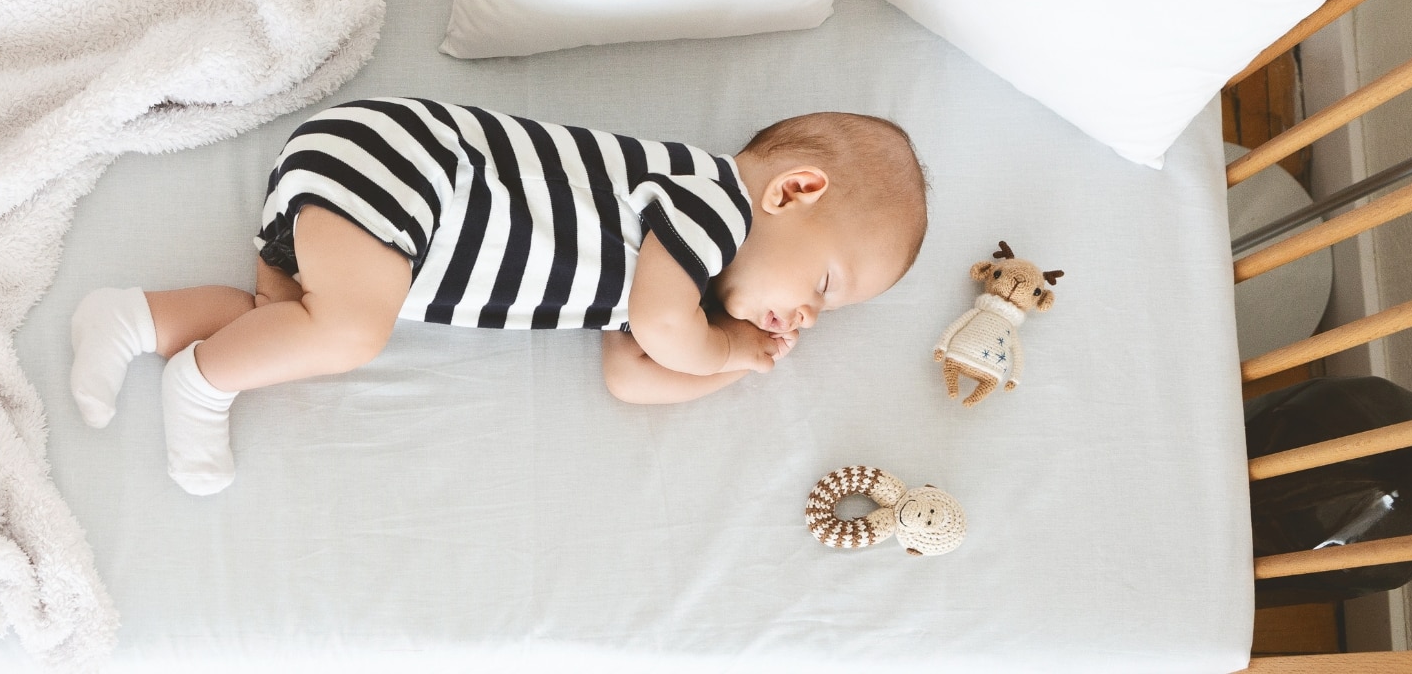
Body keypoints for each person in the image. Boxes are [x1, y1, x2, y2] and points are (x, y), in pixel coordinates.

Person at [69, 97, 928, 495]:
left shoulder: (689, 278)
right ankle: (201, 382)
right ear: (793, 191)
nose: (811, 317)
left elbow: (631, 375)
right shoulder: (711, 202)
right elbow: (665, 330)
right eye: (823, 284)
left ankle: (137, 319)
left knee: (291, 328)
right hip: (408, 174)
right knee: (349, 334)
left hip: (377, 211)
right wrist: (732, 350)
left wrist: (732, 366)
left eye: (827, 313)